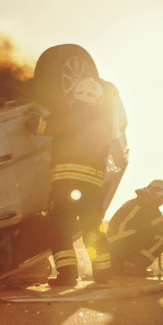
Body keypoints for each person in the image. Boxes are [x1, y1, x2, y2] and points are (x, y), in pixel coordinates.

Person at [25, 74, 113, 287]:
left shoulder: (70, 115)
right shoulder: (104, 122)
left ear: (75, 96)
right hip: (92, 189)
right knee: (92, 230)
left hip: (66, 187)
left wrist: (32, 114)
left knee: (60, 231)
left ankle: (67, 276)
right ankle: (103, 274)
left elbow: (37, 127)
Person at [107, 180, 163, 277]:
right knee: (162, 238)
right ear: (156, 194)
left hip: (112, 245)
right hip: (124, 244)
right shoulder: (149, 206)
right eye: (162, 199)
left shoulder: (133, 202)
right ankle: (135, 266)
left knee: (148, 233)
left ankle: (122, 263)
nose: (162, 203)